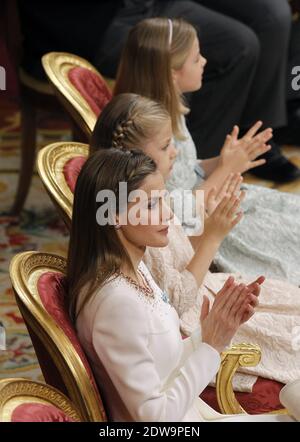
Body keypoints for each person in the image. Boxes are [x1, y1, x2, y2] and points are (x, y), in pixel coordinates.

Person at [90, 93, 300, 389]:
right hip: (191, 323)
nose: (174, 152)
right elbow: (173, 301)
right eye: (165, 146)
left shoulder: (149, 204)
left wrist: (212, 223)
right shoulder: (138, 225)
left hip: (208, 293)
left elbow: (180, 249)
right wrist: (212, 237)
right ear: (131, 156)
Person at [69, 147, 293, 421]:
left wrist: (210, 331)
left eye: (163, 199)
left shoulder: (136, 268)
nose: (169, 215)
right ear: (114, 215)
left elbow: (162, 366)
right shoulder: (116, 304)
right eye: (151, 205)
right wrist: (210, 346)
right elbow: (157, 419)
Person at [17, 0, 300, 182]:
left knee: (272, 14)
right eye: (195, 59)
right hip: (92, 21)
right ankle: (186, 173)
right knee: (238, 46)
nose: (201, 60)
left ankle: (249, 136)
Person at [113, 17, 300, 285]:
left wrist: (221, 161)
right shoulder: (148, 130)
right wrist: (226, 169)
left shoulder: (165, 111)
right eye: (196, 58)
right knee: (288, 239)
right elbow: (177, 213)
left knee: (291, 211)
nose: (204, 62)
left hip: (213, 201)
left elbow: (184, 171)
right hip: (201, 225)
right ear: (171, 71)